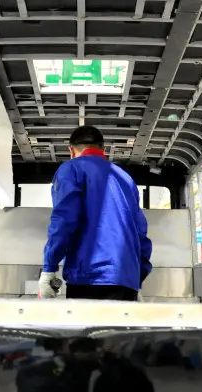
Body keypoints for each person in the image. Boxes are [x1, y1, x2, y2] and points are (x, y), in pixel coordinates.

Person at [38, 126, 153, 301]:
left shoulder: (71, 169)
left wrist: (49, 267)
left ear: (71, 149)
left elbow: (64, 220)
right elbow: (141, 233)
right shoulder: (125, 178)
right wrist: (136, 279)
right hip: (126, 281)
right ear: (103, 150)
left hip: (88, 278)